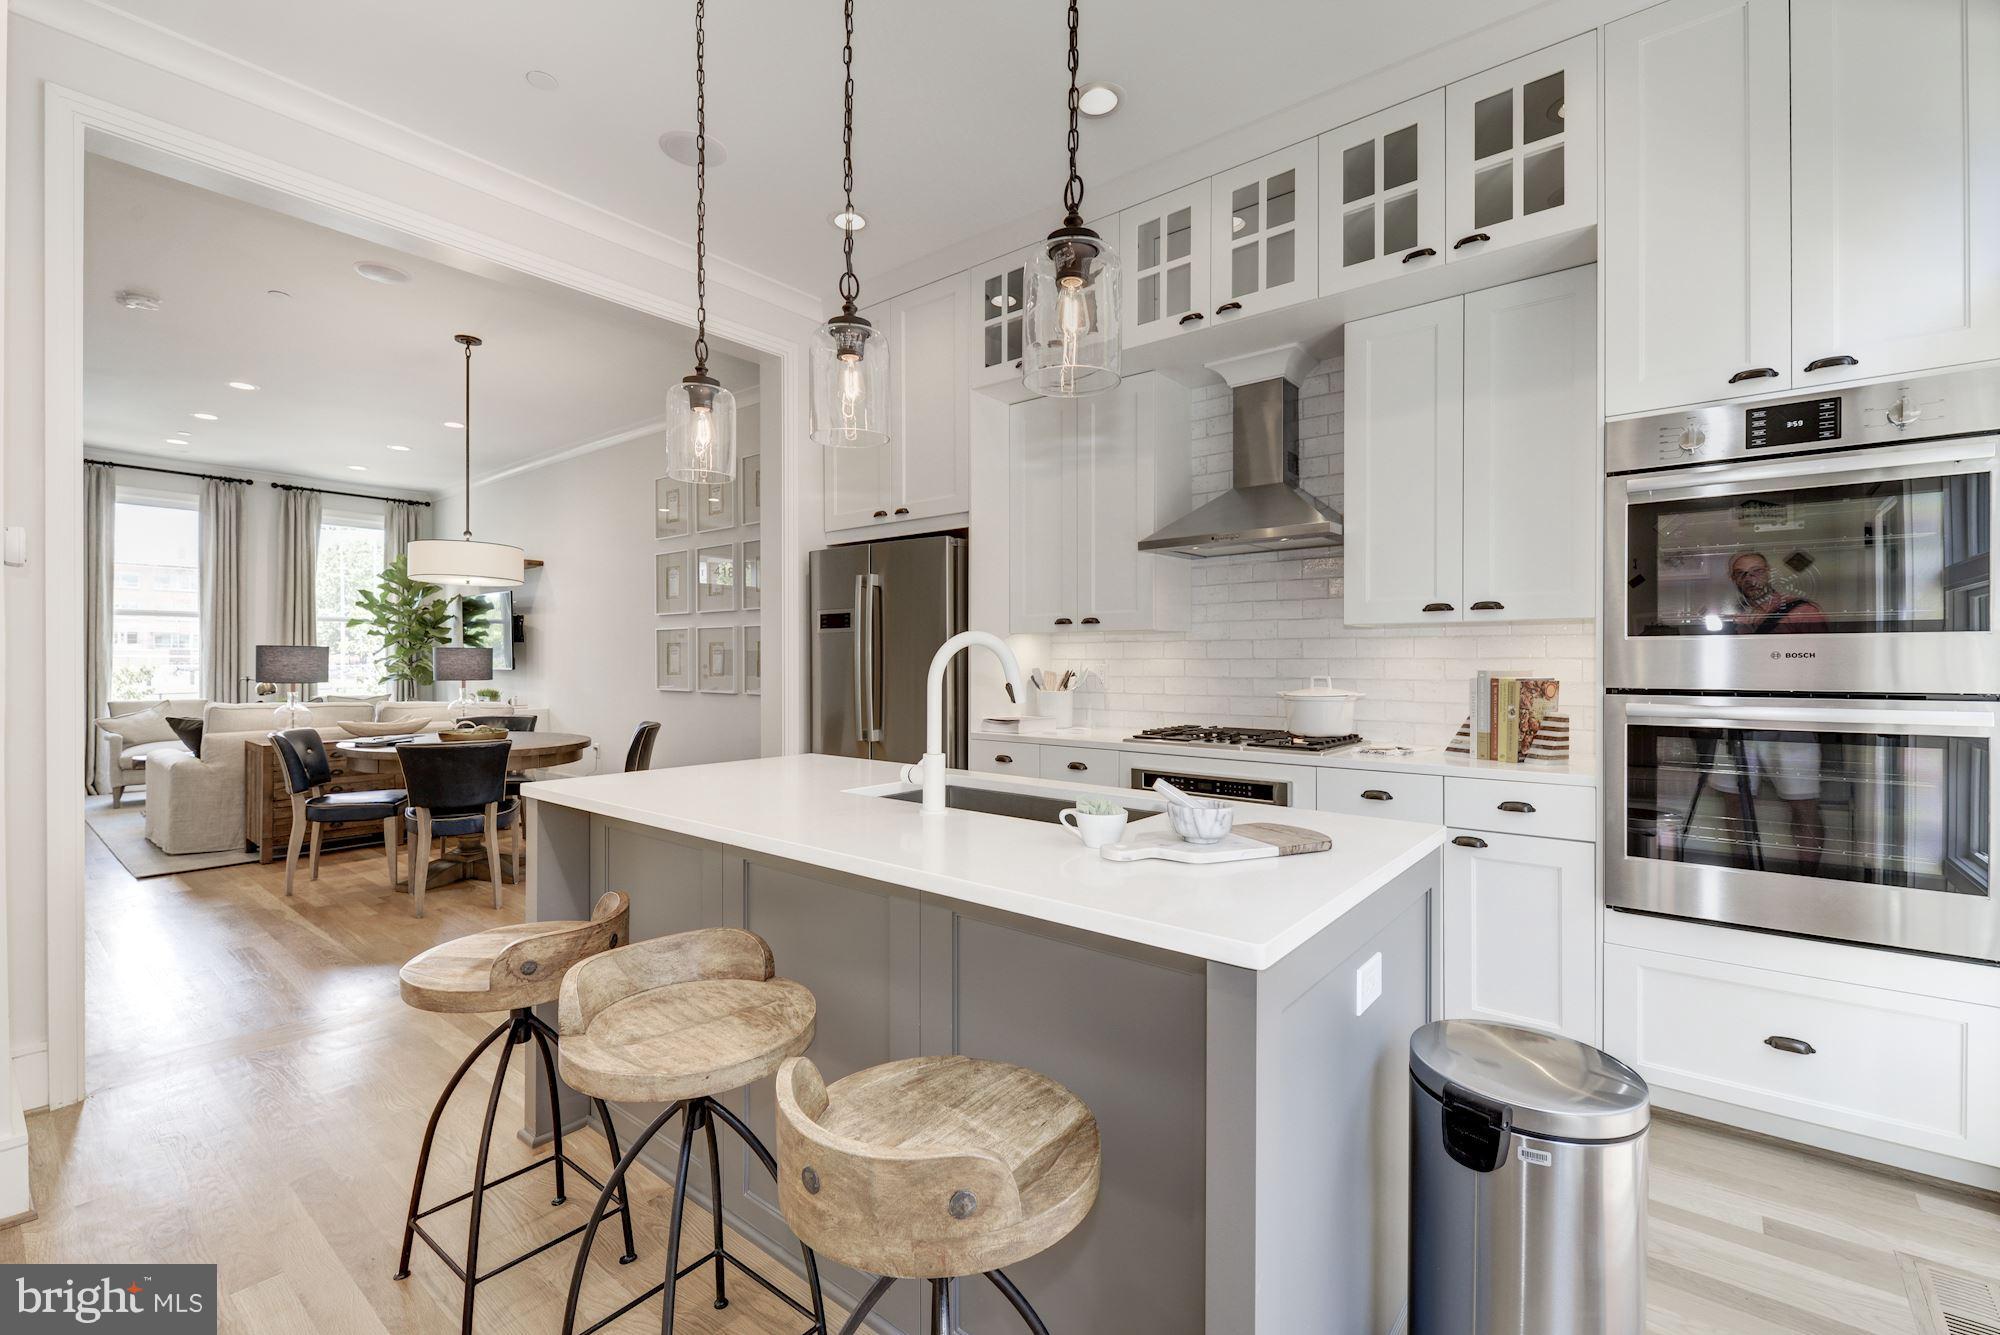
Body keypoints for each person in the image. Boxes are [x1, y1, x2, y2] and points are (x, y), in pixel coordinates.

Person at [1727, 551, 1828, 634]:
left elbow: (1820, 649)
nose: (1749, 579)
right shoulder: (1733, 614)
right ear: (1733, 578)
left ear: (1769, 573)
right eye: (1740, 573)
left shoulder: (1803, 611)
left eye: (1757, 571)